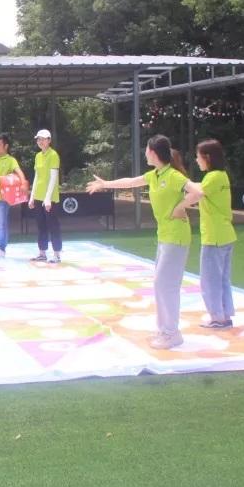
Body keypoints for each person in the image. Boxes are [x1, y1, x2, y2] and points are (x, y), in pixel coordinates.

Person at [87, 134, 199, 350]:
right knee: (161, 284)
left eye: (147, 149)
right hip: (164, 236)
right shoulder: (155, 175)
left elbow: (197, 192)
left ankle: (171, 333)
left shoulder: (173, 176)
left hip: (176, 236)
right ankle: (165, 330)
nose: (145, 153)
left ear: (153, 152)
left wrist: (180, 207)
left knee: (165, 284)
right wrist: (105, 184)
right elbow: (130, 182)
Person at [179, 139, 237, 329]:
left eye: (198, 157)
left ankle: (217, 317)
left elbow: (195, 194)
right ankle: (224, 315)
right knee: (222, 279)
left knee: (210, 280)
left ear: (208, 157)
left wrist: (177, 207)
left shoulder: (212, 177)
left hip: (215, 237)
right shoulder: (221, 176)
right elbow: (198, 187)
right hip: (226, 234)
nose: (197, 160)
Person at [27, 129, 62, 264]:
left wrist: (47, 198)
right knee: (41, 225)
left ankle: (57, 254)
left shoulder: (53, 155)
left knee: (53, 225)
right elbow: (37, 177)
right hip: (39, 196)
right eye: (38, 139)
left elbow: (53, 178)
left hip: (50, 198)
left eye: (43, 139)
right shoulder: (38, 156)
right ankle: (42, 253)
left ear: (49, 140)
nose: (40, 141)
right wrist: (32, 196)